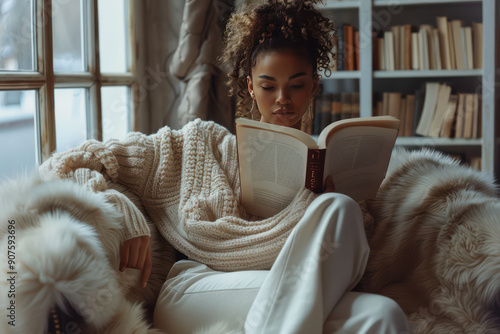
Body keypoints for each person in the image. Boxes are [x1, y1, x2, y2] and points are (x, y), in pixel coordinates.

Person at [39, 1, 413, 333]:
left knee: (383, 314)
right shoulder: (199, 144)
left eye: (296, 85)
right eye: (269, 86)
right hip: (198, 289)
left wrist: (320, 205)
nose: (282, 99)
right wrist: (123, 214)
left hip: (287, 292)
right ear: (250, 87)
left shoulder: (323, 164)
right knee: (338, 210)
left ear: (314, 85)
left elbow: (352, 256)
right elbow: (70, 162)